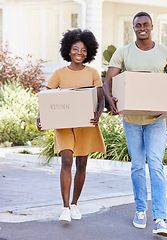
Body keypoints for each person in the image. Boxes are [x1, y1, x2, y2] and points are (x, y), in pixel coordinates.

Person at [103, 11, 167, 237]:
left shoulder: (165, 53)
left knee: (155, 166)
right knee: (137, 166)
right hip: (131, 120)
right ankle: (140, 210)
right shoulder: (123, 52)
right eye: (138, 25)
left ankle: (160, 219)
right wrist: (111, 100)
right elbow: (108, 81)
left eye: (145, 24)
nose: (142, 28)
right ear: (133, 28)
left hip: (156, 119)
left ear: (152, 26)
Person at [37, 29, 105, 222]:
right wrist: (40, 117)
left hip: (86, 125)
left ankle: (75, 204)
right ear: (68, 50)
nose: (79, 53)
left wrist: (98, 115)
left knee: (81, 164)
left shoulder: (92, 73)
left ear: (88, 52)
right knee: (66, 161)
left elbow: (100, 101)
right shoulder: (59, 74)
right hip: (64, 125)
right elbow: (46, 100)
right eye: (75, 49)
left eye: (83, 50)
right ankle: (65, 207)